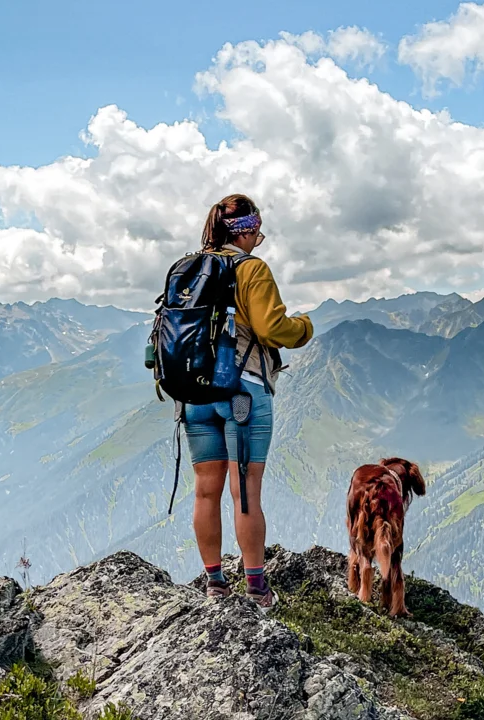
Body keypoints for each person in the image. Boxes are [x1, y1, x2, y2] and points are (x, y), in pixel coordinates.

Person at [185, 193, 313, 609]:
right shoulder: (251, 269)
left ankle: (214, 583)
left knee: (206, 492)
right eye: (257, 227)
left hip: (195, 395)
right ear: (250, 230)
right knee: (246, 492)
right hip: (243, 391)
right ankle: (257, 590)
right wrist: (304, 328)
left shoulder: (193, 268)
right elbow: (271, 328)